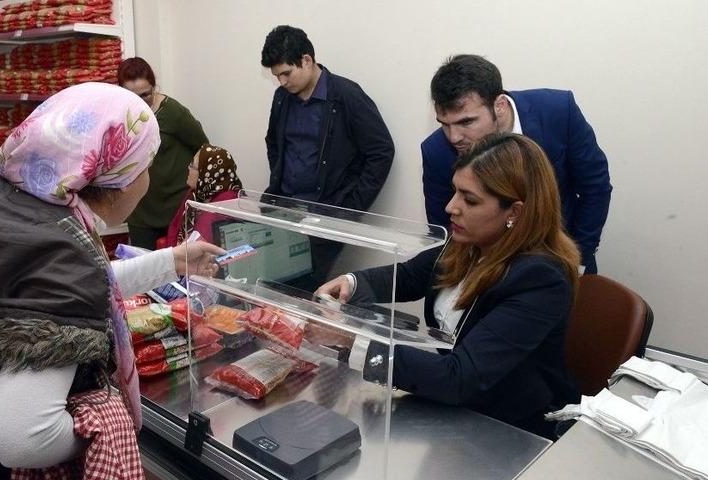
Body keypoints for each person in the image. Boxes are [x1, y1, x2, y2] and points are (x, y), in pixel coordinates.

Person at [0, 83, 224, 479]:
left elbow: (66, 288)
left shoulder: (20, 212)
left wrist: (172, 261)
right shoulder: (63, 257)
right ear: (121, 176)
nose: (149, 178)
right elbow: (22, 438)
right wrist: (106, 425)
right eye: (146, 165)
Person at [317, 133, 580, 439]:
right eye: (455, 191)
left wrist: (353, 340)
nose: (451, 207)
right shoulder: (469, 243)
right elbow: (409, 275)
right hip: (451, 409)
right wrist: (351, 283)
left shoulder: (540, 280)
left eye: (470, 200)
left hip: (508, 429)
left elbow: (459, 377)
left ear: (515, 212)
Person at [420, 54, 612, 273]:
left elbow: (595, 188)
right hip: (484, 272)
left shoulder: (558, 111)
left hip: (563, 261)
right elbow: (445, 230)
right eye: (445, 124)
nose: (454, 137)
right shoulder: (436, 152)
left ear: (499, 105)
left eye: (466, 122)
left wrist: (577, 261)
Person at [261, 25, 394, 289]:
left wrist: (350, 208)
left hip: (325, 218)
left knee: (301, 291)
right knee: (270, 285)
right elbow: (273, 142)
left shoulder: (346, 95)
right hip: (285, 211)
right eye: (277, 76)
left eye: (286, 73)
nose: (282, 82)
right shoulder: (282, 97)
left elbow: (381, 151)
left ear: (306, 60)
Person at [118, 57, 210, 249]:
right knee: (144, 264)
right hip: (140, 210)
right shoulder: (118, 115)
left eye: (145, 94)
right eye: (132, 96)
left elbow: (203, 148)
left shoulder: (173, 113)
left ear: (154, 88)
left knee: (180, 263)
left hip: (175, 208)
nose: (139, 101)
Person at [166, 144, 243, 246]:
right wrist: (172, 252)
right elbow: (174, 227)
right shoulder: (195, 194)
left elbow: (202, 240)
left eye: (192, 165)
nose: (188, 168)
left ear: (207, 173)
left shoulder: (227, 202)